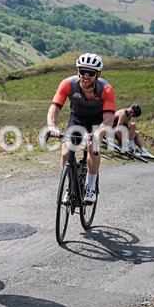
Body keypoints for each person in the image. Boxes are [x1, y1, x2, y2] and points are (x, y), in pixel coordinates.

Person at [47, 53, 115, 204]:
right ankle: (70, 187)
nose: (85, 76)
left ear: (98, 74)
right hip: (77, 118)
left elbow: (109, 119)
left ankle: (91, 187)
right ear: (78, 71)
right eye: (82, 71)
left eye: (90, 73)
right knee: (65, 153)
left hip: (98, 120)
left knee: (92, 145)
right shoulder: (68, 84)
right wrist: (52, 126)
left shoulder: (106, 89)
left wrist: (97, 133)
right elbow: (54, 108)